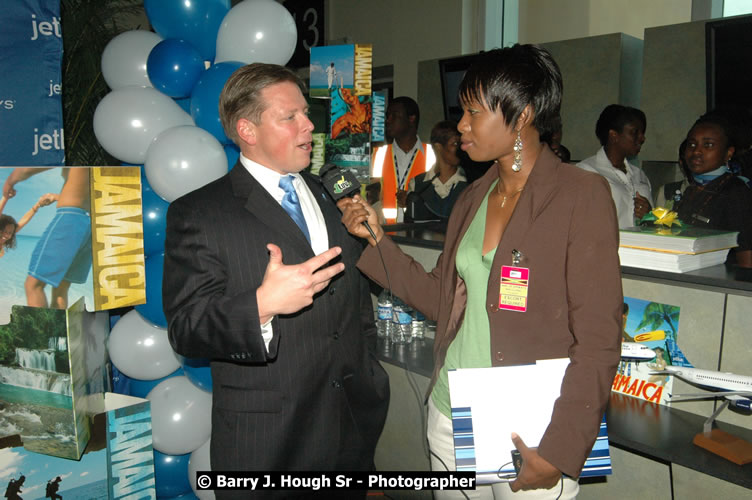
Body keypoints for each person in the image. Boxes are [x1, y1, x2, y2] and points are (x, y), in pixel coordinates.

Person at [339, 44, 622, 499]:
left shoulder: (579, 195)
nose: (461, 126)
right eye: (461, 112)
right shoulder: (473, 197)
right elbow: (441, 298)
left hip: (533, 429)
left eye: (473, 112)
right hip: (453, 412)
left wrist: (561, 448)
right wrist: (376, 241)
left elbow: (598, 338)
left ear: (523, 115)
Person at [162, 63, 389, 499]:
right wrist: (262, 304)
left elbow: (355, 304)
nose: (309, 126)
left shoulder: (332, 194)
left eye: (306, 112)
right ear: (247, 129)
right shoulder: (200, 213)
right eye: (290, 117)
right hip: (268, 445)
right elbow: (187, 330)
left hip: (352, 427)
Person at [2, 168, 90, 308]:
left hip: (70, 217)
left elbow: (26, 169)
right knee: (61, 288)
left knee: (33, 286)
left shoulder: (71, 153)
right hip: (90, 223)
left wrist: (10, 181)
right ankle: (58, 328)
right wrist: (56, 197)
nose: (6, 235)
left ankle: (42, 330)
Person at [674, 112, 752, 267]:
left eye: (708, 145)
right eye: (692, 144)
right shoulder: (693, 190)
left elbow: (747, 255)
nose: (696, 151)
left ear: (728, 153)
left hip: (719, 286)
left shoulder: (735, 191)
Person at [577, 104, 653, 228]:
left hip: (638, 246)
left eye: (642, 133)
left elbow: (653, 225)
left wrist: (649, 215)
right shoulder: (586, 172)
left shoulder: (639, 175)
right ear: (614, 135)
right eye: (635, 132)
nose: (642, 138)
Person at [371, 96, 434, 223]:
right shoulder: (379, 154)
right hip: (385, 235)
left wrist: (412, 200)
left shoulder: (432, 154)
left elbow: (438, 199)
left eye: (394, 115)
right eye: (387, 116)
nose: (388, 120)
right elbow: (370, 196)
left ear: (411, 118)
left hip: (418, 235)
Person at [405, 120, 468, 221]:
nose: (461, 148)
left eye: (461, 143)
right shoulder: (417, 184)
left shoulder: (471, 183)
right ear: (438, 146)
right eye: (455, 143)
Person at [0, 192, 58, 258]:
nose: (6, 235)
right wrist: (5, 198)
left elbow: (24, 220)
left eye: (9, 233)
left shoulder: (2, 243)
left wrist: (38, 205)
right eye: (3, 231)